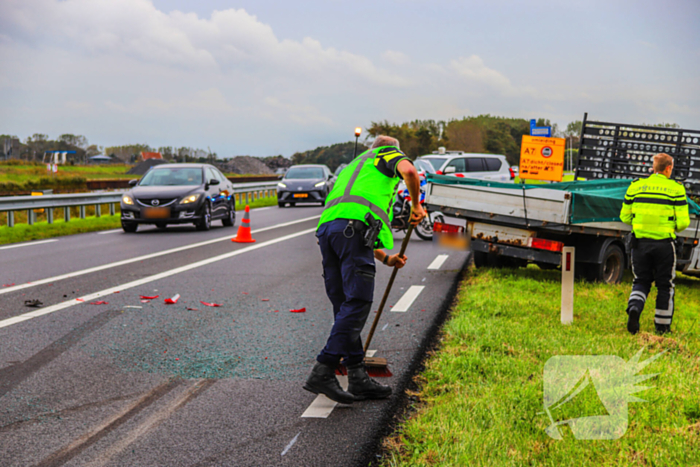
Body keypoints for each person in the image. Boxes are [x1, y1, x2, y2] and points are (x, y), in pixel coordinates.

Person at [303, 135, 427, 404]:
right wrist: (417, 204)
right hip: (351, 231)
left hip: (328, 232)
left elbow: (353, 221)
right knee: (358, 302)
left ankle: (358, 377)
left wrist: (386, 258)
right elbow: (409, 171)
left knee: (344, 307)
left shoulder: (354, 166)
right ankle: (323, 369)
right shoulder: (386, 155)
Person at [620, 153, 690, 335]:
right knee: (664, 285)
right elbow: (683, 223)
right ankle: (662, 327)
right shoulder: (676, 189)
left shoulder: (636, 186)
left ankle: (635, 307)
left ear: (653, 167)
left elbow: (624, 216)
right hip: (664, 245)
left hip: (640, 244)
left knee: (641, 281)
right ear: (668, 168)